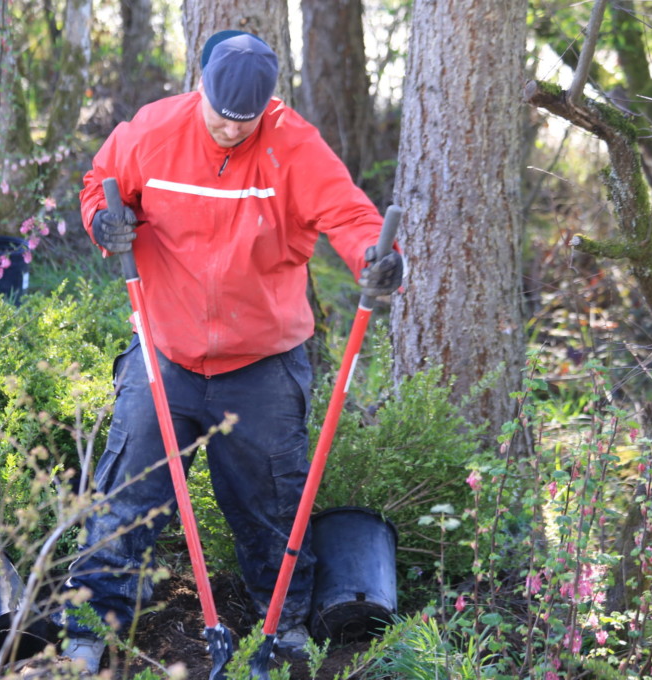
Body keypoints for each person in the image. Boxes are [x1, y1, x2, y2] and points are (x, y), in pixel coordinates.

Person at [57, 30, 403, 673]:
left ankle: (288, 629)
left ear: (267, 107)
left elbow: (351, 216)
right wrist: (102, 223)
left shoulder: (294, 146)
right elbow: (100, 182)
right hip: (165, 350)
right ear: (202, 87)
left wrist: (378, 258)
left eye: (245, 122)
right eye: (219, 115)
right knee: (127, 495)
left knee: (272, 505)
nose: (228, 131)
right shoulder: (153, 132)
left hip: (262, 364)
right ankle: (87, 628)